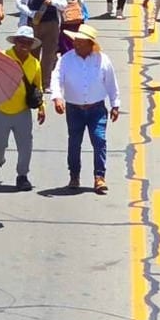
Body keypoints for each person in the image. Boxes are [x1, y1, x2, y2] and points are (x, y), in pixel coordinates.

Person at [51, 24, 121, 194]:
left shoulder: (103, 59)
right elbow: (56, 78)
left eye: (81, 42)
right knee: (74, 143)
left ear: (90, 44)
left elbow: (111, 82)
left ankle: (99, 177)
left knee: (99, 141)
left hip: (96, 109)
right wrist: (57, 97)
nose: (76, 44)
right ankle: (74, 176)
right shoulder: (66, 59)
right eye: (76, 41)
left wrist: (115, 104)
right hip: (74, 109)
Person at [0, 27, 45, 188]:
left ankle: (22, 175)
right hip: (0, 109)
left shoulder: (34, 63)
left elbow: (37, 86)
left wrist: (42, 108)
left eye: (28, 42)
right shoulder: (2, 58)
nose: (24, 45)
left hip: (22, 111)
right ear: (16, 42)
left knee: (25, 145)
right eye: (21, 41)